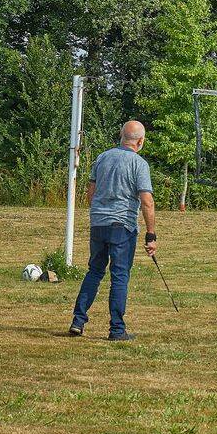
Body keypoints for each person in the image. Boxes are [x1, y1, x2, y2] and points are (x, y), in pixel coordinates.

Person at [68, 120, 157, 340]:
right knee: (119, 276)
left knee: (95, 271)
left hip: (98, 223)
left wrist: (100, 213)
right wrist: (151, 235)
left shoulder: (102, 158)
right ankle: (117, 330)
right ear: (141, 141)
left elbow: (91, 193)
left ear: (121, 135)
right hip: (122, 227)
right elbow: (147, 202)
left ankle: (78, 321)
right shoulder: (139, 164)